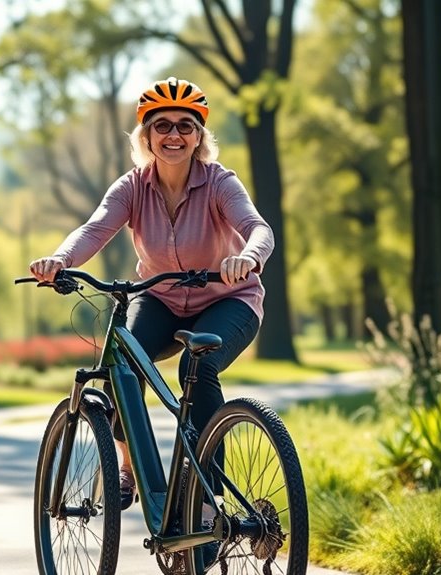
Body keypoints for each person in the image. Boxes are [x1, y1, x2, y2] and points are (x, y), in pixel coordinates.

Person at [28, 76, 275, 512]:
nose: (174, 135)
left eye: (186, 125)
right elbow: (95, 229)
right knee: (123, 365)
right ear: (147, 136)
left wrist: (249, 258)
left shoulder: (220, 182)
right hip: (159, 297)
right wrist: (59, 259)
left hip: (228, 300)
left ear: (199, 136)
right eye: (162, 126)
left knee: (197, 372)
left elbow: (258, 228)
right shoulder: (132, 187)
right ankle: (127, 466)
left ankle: (208, 498)